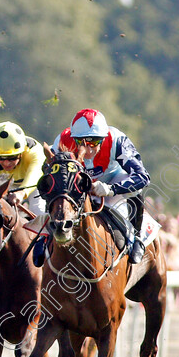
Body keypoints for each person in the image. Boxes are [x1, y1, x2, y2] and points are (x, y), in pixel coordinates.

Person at [34, 108, 150, 266]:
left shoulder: (117, 140)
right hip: (79, 183)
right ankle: (45, 235)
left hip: (113, 179)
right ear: (73, 137)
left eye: (94, 142)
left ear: (103, 137)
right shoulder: (62, 140)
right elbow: (48, 173)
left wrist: (111, 189)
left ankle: (136, 236)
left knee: (136, 189)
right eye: (81, 142)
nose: (88, 149)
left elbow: (142, 176)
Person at [0, 121, 46, 214]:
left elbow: (35, 174)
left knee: (38, 210)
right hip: (7, 180)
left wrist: (22, 192)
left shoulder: (34, 151)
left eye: (12, 158)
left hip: (34, 184)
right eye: (0, 158)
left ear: (21, 153)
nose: (6, 163)